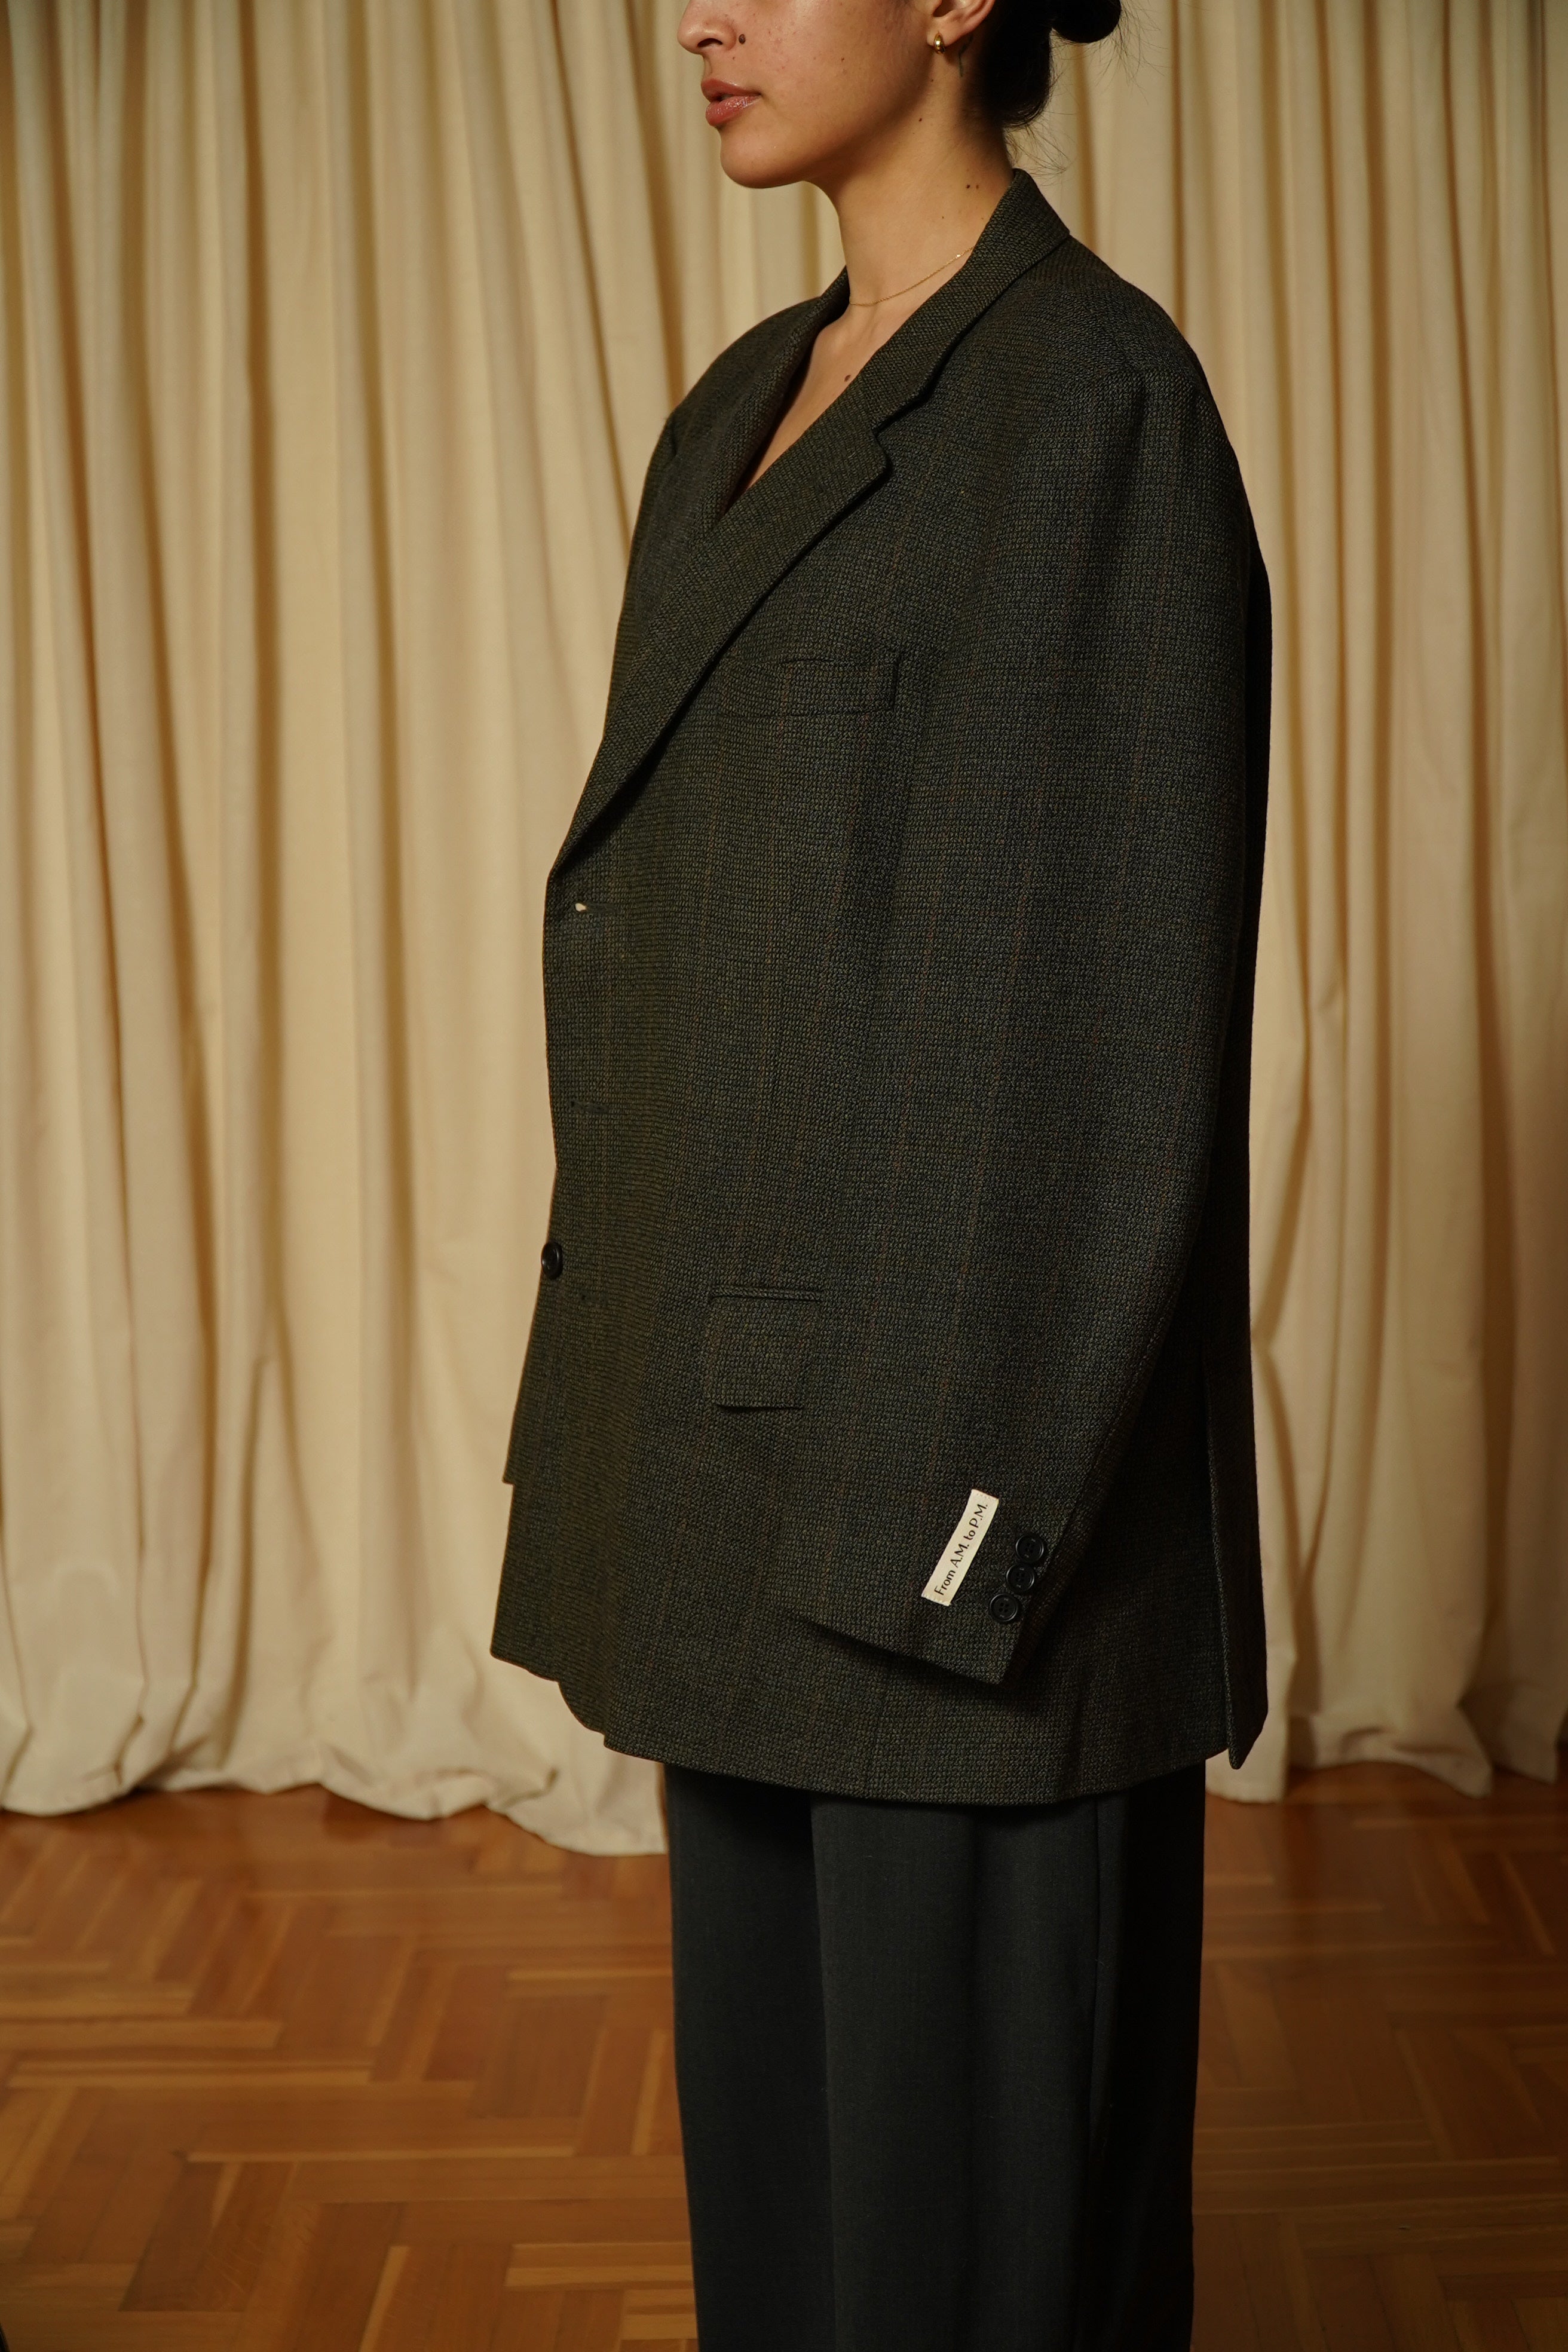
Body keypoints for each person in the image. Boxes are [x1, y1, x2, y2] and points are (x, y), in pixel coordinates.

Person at [492, 0, 1271, 2342]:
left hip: (948, 1540)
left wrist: (945, 1549)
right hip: (727, 1495)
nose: (700, 17)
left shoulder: (1090, 403)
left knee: (974, 2276)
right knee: (798, 2261)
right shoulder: (734, 410)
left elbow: (1095, 1031)